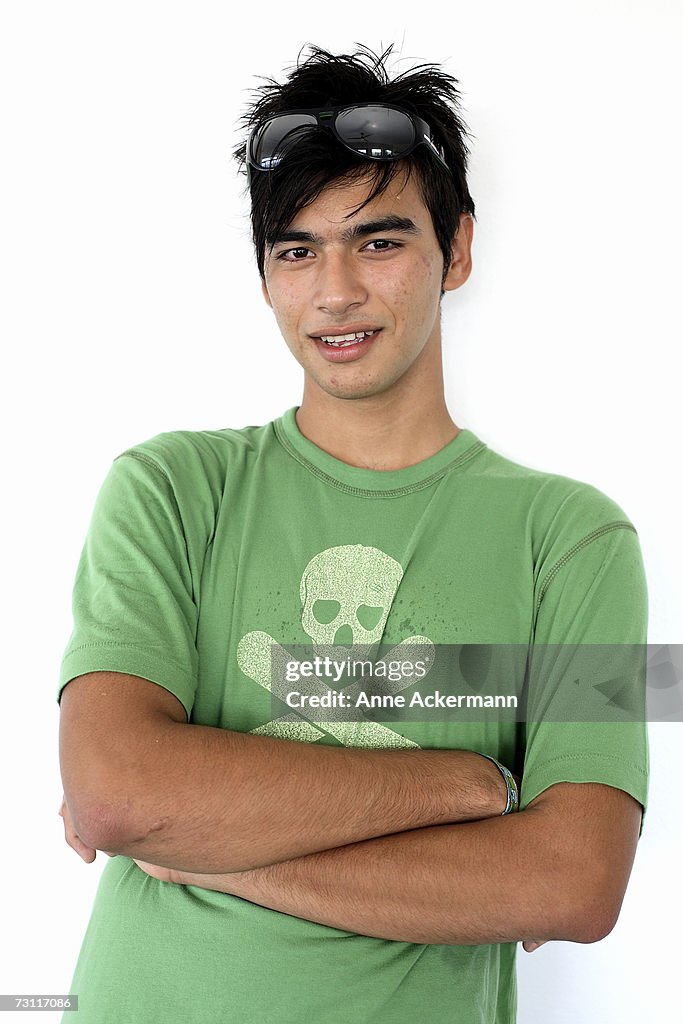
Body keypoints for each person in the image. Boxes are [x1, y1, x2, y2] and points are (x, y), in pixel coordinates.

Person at [57, 44, 649, 1024]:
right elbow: (118, 792)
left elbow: (573, 882)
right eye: (295, 250)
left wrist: (202, 841)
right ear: (264, 275)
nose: (333, 289)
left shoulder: (579, 539)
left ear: (455, 249)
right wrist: (466, 784)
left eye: (378, 242)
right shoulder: (167, 488)